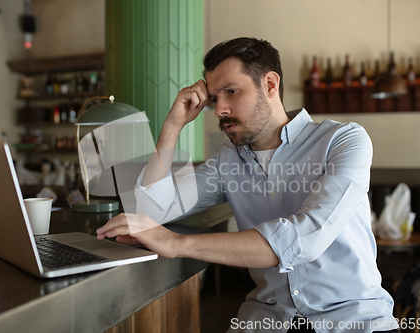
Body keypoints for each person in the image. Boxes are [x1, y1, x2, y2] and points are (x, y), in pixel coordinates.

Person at [97, 37, 398, 332]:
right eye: (215, 98)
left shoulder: (344, 140)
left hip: (355, 320)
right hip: (267, 320)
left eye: (231, 91)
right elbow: (150, 212)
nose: (219, 110)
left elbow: (304, 238)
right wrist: (172, 126)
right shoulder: (225, 162)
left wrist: (176, 243)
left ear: (269, 85)